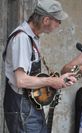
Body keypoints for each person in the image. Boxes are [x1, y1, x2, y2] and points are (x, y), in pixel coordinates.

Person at [2, 0, 77, 133]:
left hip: (31, 105)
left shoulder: (33, 37)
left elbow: (32, 76)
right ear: (46, 20)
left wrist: (59, 80)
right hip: (22, 107)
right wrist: (51, 81)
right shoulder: (22, 38)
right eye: (58, 20)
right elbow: (21, 80)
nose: (59, 24)